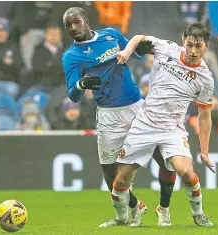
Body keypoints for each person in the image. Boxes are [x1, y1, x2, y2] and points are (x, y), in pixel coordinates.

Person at [62, 7, 177, 227]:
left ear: (86, 21)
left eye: (76, 22)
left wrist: (149, 46)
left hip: (136, 107)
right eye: (69, 25)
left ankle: (164, 208)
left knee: (164, 158)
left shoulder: (111, 35)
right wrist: (80, 84)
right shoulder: (71, 57)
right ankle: (131, 211)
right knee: (109, 172)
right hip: (108, 114)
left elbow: (134, 50)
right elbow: (73, 95)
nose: (73, 28)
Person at [111, 23, 215, 227]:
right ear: (183, 41)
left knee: (186, 170)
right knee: (121, 180)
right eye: (189, 45)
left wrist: (204, 151)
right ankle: (123, 218)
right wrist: (127, 51)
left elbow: (205, 115)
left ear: (206, 47)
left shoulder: (205, 79)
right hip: (144, 123)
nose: (193, 51)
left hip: (172, 129)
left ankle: (198, 214)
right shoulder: (166, 48)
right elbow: (139, 37)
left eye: (198, 46)